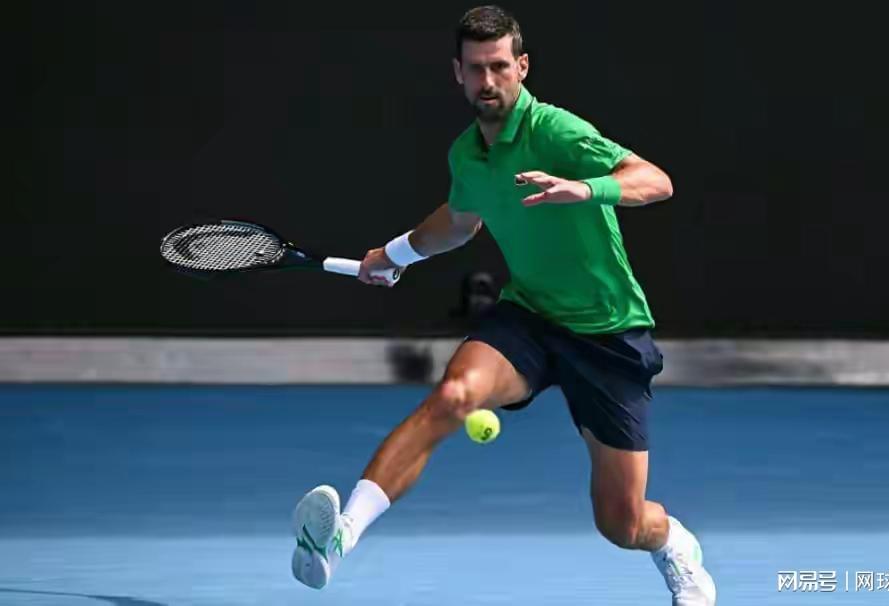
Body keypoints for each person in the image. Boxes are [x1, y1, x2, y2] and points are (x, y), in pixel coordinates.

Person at [291, 5, 716, 604]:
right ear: (458, 74)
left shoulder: (557, 132)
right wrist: (392, 254)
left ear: (522, 67)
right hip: (530, 317)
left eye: (498, 66)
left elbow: (655, 180)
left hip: (609, 333)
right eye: (475, 69)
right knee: (453, 396)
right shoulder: (467, 155)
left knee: (621, 523)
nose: (487, 81)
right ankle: (340, 537)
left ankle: (673, 542)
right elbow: (459, 222)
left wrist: (585, 188)